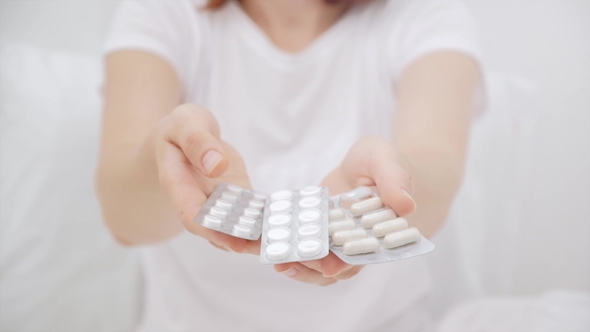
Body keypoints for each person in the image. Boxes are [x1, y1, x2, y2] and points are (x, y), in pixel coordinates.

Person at [96, 0, 483, 330]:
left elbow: (436, 179)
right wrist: (166, 163)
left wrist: (391, 183)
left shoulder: (423, 12)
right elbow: (123, 217)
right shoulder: (165, 11)